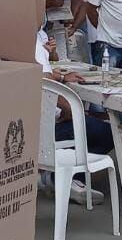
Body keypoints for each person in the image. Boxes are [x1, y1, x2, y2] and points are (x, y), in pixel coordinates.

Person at [36, 29, 115, 204]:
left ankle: (57, 174)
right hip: (48, 124)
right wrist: (69, 108)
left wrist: (61, 76)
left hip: (43, 120)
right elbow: (44, 83)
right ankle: (64, 178)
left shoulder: (36, 35)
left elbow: (48, 68)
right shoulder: (32, 41)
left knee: (91, 124)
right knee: (108, 133)